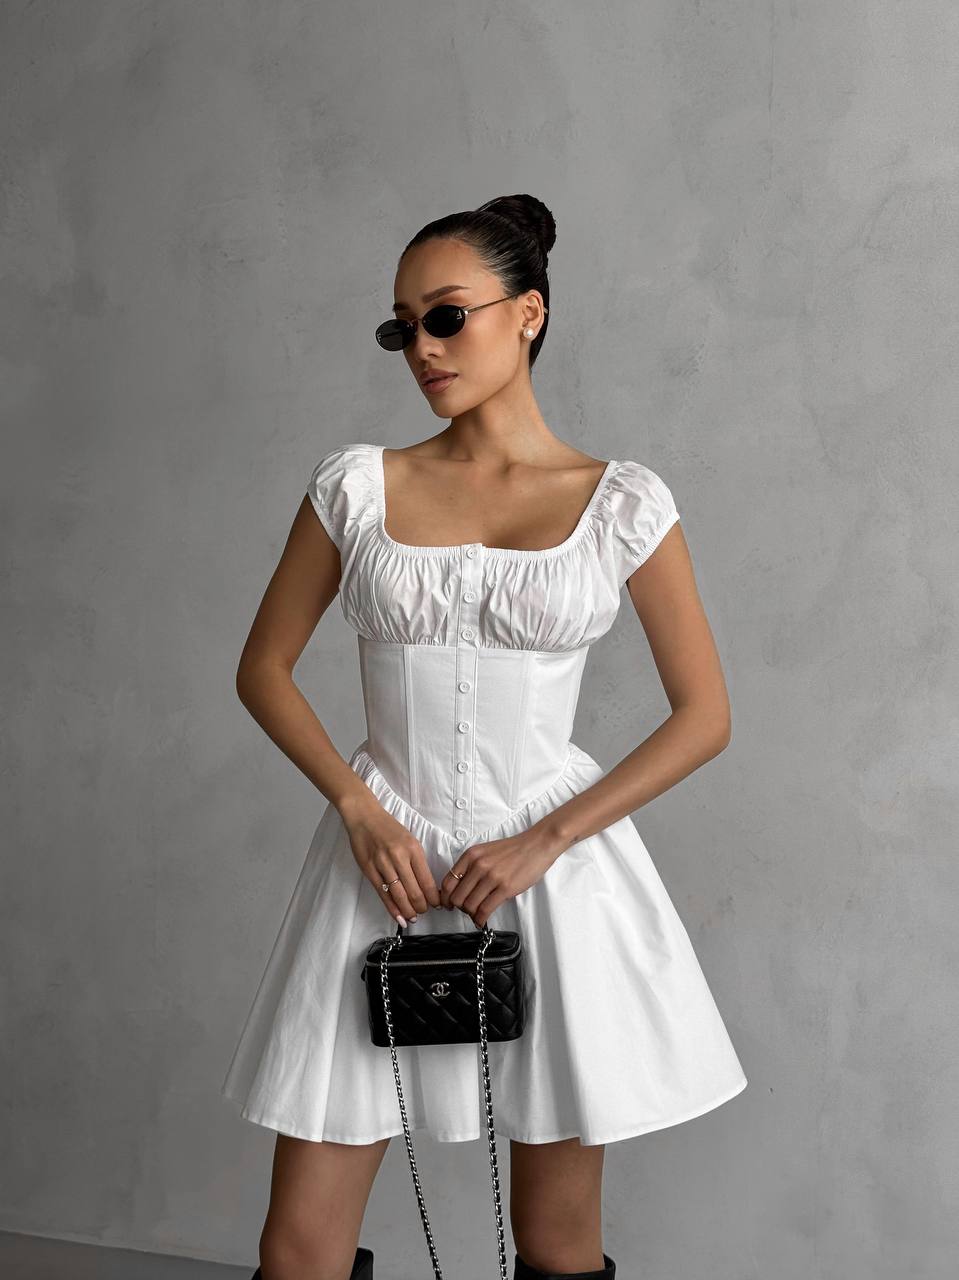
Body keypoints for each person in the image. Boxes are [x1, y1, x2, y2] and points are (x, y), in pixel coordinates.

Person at [221, 194, 748, 1280]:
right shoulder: (356, 487)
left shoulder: (619, 502)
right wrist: (358, 808)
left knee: (556, 1237)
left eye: (447, 316)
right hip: (383, 865)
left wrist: (542, 840)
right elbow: (262, 668)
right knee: (299, 1244)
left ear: (528, 313)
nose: (422, 346)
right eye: (402, 325)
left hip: (550, 870)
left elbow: (705, 715)